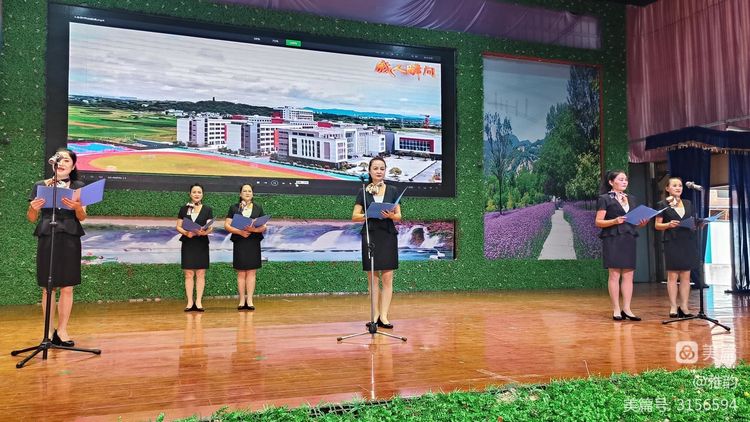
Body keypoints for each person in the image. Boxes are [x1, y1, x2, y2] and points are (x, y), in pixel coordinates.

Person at [27, 148, 86, 347]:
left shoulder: (78, 186)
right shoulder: (40, 185)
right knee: (47, 287)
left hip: (70, 236)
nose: (61, 163)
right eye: (59, 159)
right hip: (48, 235)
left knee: (67, 286)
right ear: (53, 163)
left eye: (66, 160)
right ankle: (49, 331)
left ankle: (62, 330)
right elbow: (31, 218)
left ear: (73, 166)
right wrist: (32, 208)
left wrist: (77, 207)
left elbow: (82, 217)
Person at [352, 156, 402, 329]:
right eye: (375, 168)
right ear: (369, 171)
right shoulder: (363, 191)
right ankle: (374, 316)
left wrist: (391, 215)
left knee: (387, 278)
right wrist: (368, 214)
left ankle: (384, 317)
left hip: (387, 235)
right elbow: (354, 216)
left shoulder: (393, 190)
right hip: (370, 234)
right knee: (372, 279)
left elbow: (399, 216)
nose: (379, 171)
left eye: (382, 168)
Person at [595, 170, 648, 321]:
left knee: (629, 275)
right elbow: (598, 222)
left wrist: (642, 223)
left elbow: (634, 221)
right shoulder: (605, 198)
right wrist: (614, 221)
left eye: (626, 179)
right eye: (621, 179)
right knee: (614, 274)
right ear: (611, 182)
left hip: (628, 237)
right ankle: (616, 309)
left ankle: (627, 309)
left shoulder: (631, 198)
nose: (624, 182)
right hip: (613, 237)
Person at [654, 176, 699, 318]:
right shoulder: (662, 204)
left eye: (680, 185)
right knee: (673, 275)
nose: (678, 188)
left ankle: (684, 306)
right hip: (672, 241)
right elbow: (657, 225)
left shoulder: (688, 203)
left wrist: (698, 224)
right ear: (667, 188)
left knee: (686, 275)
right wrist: (668, 224)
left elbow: (693, 221)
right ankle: (673, 306)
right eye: (674, 185)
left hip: (687, 241)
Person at [224, 184, 267, 311]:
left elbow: (264, 226)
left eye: (249, 191)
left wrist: (254, 230)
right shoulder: (234, 208)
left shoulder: (258, 207)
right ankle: (242, 300)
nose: (247, 193)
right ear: (240, 194)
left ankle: (250, 300)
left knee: (252, 272)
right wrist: (240, 232)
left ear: (252, 194)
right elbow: (227, 225)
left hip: (253, 241)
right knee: (241, 272)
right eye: (244, 191)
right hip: (240, 241)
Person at [176, 184, 213, 312]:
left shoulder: (208, 209)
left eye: (199, 192)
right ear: (190, 194)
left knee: (201, 273)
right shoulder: (184, 209)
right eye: (194, 192)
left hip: (202, 242)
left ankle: (198, 302)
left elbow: (210, 227)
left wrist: (204, 232)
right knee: (189, 274)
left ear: (202, 194)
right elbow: (178, 226)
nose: (197, 194)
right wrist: (186, 233)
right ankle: (190, 302)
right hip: (188, 242)